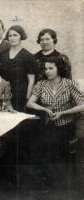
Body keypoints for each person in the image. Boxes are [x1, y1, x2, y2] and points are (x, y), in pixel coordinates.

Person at [26, 56, 84, 189]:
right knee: (41, 148)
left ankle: (63, 185)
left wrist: (63, 113)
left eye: (51, 68)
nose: (47, 71)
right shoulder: (41, 84)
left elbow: (82, 105)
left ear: (59, 68)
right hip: (47, 125)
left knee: (57, 149)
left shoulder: (70, 84)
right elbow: (30, 103)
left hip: (65, 125)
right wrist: (44, 109)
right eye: (46, 68)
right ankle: (47, 182)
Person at [0, 25, 36, 112]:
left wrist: (26, 99)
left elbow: (31, 81)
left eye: (15, 35)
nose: (12, 38)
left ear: (21, 37)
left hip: (20, 95)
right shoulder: (2, 55)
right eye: (10, 36)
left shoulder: (28, 56)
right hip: (4, 94)